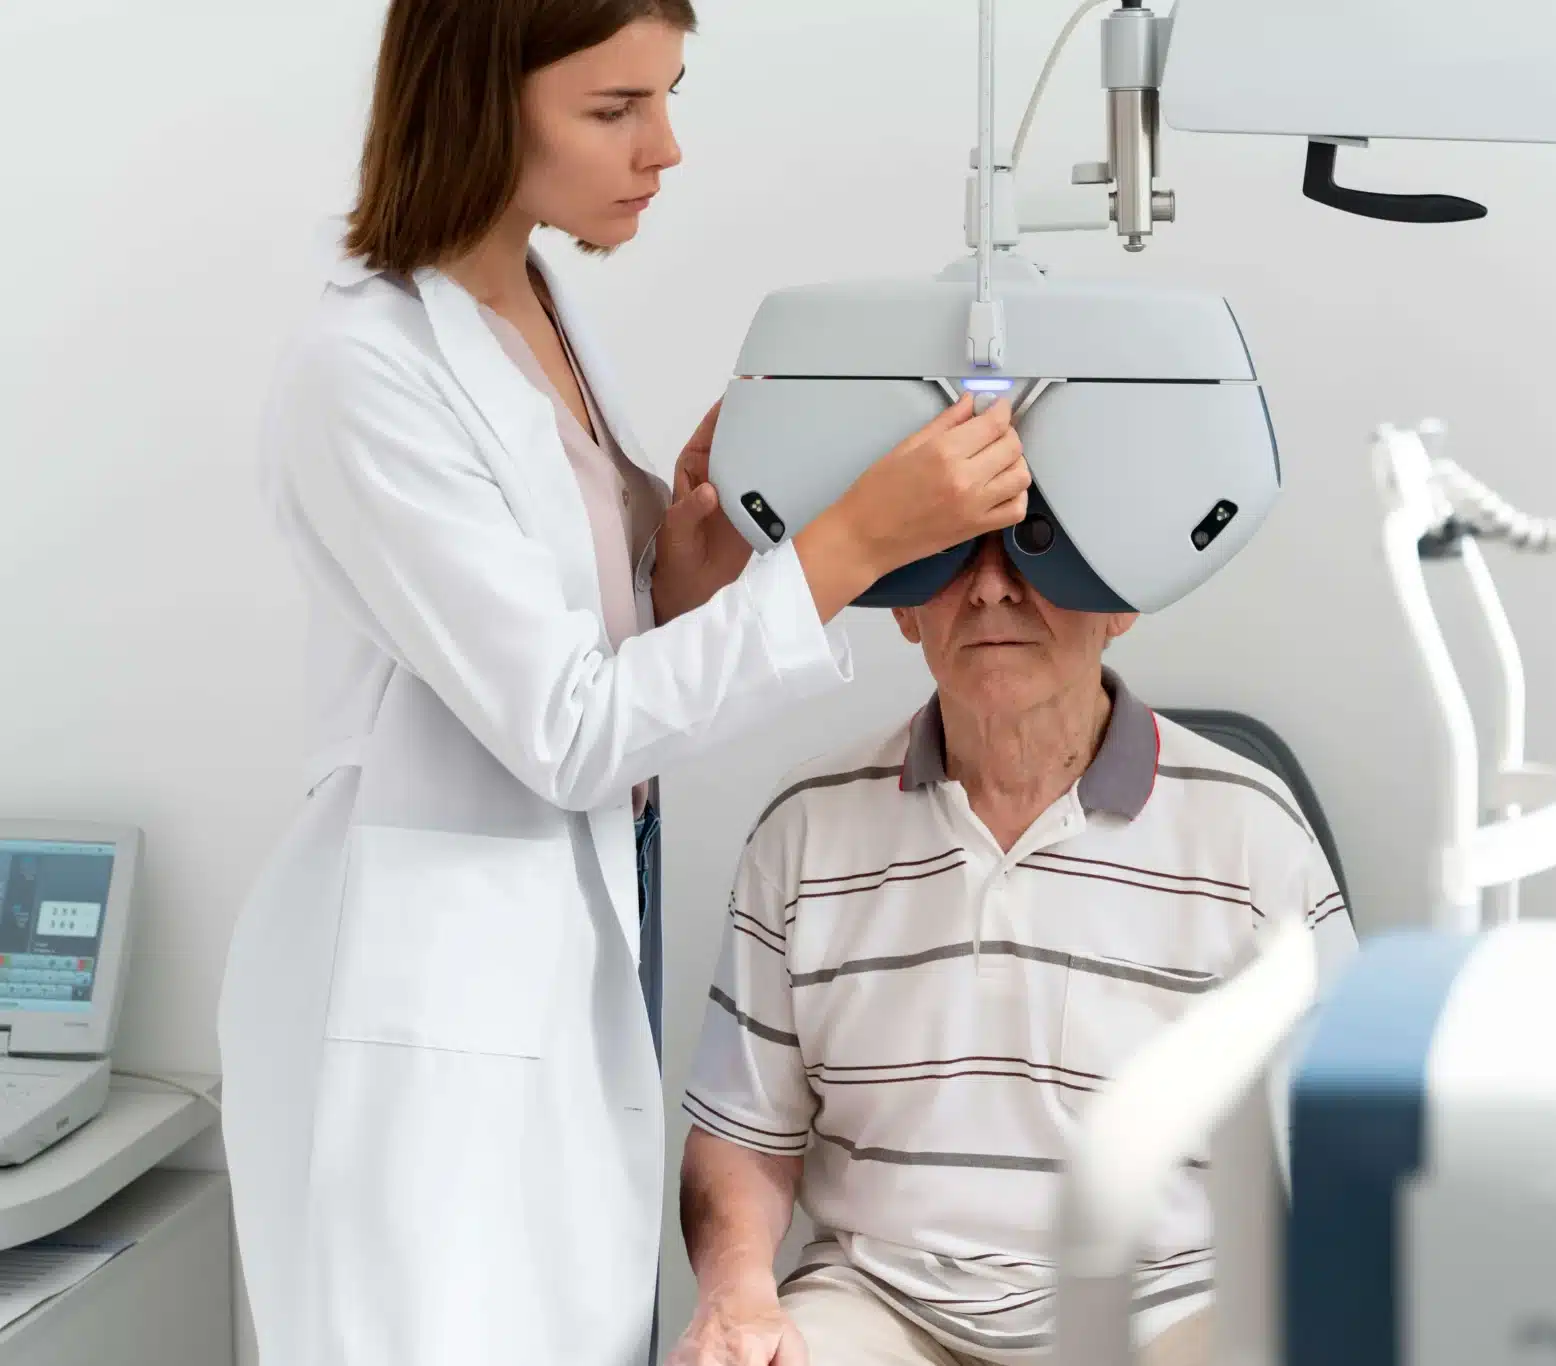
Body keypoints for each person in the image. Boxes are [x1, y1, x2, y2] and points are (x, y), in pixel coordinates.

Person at [214, 2, 1031, 1364]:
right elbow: (568, 724)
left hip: (575, 926)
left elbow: (594, 634)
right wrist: (848, 550)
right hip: (425, 1010)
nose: (665, 147)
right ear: (480, 101)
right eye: (614, 109)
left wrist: (691, 553)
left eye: (667, 96)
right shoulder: (359, 374)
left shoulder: (539, 304)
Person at [671, 537, 1358, 1366]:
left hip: (1168, 1305)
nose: (992, 589)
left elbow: (1346, 1145)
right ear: (903, 605)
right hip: (882, 1305)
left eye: (1038, 547)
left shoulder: (1250, 830)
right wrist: (737, 1292)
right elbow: (742, 1137)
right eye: (953, 550)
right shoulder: (806, 826)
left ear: (1121, 600)